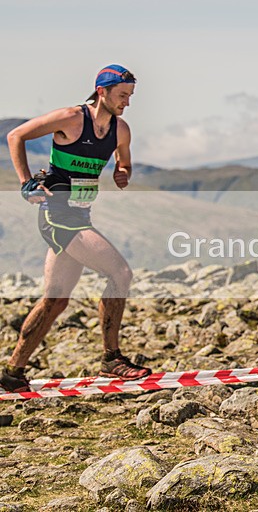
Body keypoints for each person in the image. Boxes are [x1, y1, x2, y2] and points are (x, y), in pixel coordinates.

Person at [0, 65, 151, 393]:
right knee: (121, 273)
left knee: (55, 301)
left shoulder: (120, 130)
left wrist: (122, 172)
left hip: (81, 216)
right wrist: (26, 183)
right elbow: (16, 136)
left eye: (130, 96)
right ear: (102, 91)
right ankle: (112, 359)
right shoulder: (71, 118)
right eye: (123, 95)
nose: (127, 102)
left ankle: (13, 371)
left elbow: (124, 160)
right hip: (56, 215)